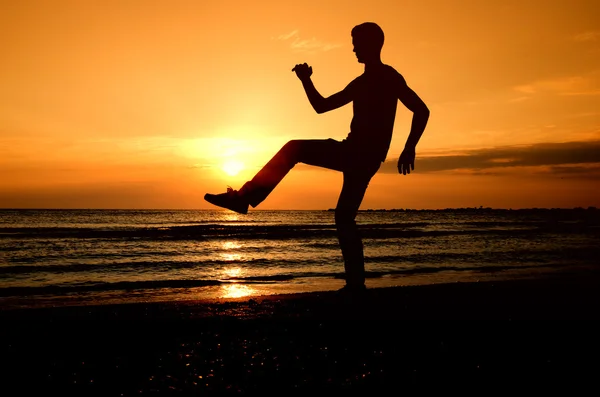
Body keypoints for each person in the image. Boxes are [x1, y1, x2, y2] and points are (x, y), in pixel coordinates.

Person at [205, 22, 429, 293]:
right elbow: (322, 107)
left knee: (293, 149)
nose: (353, 48)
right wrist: (306, 80)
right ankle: (356, 284)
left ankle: (244, 198)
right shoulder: (363, 82)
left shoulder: (387, 77)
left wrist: (409, 147)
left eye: (357, 42)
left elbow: (421, 110)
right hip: (364, 156)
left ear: (372, 45)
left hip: (356, 153)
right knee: (344, 218)